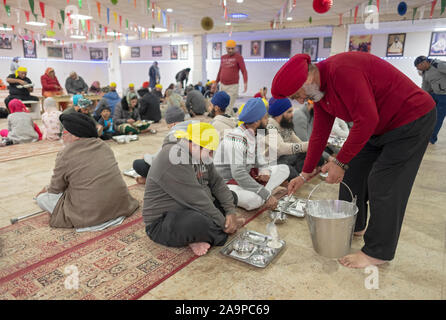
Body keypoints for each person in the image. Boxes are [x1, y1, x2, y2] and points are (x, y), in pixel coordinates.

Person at [271, 52, 436, 268]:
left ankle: (378, 252)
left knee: (384, 182)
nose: (299, 100)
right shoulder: (320, 94)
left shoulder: (342, 71)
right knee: (354, 173)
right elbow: (320, 134)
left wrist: (339, 163)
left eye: (297, 94)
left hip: (411, 119)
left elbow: (366, 120)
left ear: (308, 80)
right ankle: (354, 225)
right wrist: (304, 175)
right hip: (378, 127)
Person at [142, 122, 245, 256]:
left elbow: (217, 182)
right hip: (164, 221)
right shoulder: (175, 157)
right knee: (198, 222)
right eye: (209, 151)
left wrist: (230, 212)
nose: (211, 156)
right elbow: (197, 199)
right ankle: (199, 235)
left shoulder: (201, 154)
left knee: (231, 197)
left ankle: (200, 234)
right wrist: (226, 225)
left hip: (189, 207)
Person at [35, 112, 139, 229]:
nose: (62, 137)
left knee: (41, 199)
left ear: (76, 136)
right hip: (121, 207)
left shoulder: (65, 154)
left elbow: (55, 188)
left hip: (91, 217)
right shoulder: (104, 145)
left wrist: (44, 190)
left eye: (64, 133)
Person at [214, 98, 290, 211]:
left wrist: (263, 171)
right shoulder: (236, 138)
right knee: (254, 201)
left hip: (246, 176)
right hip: (227, 183)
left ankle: (262, 192)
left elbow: (260, 159)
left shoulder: (254, 134)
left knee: (284, 169)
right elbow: (238, 173)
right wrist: (266, 195)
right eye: (265, 118)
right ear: (256, 121)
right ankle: (263, 193)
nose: (268, 121)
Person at [265, 97, 325, 181]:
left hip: (289, 158)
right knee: (290, 171)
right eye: (289, 112)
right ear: (279, 114)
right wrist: (308, 145)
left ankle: (302, 173)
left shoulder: (285, 124)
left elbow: (298, 142)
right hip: (275, 162)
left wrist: (312, 147)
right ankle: (300, 176)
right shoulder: (269, 126)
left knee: (317, 157)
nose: (292, 114)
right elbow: (281, 148)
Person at [132, 106, 186, 185]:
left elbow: (158, 160)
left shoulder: (173, 135)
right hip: (190, 172)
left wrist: (146, 157)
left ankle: (154, 181)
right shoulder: (191, 129)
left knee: (138, 164)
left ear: (172, 124)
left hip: (175, 174)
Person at [415, 55, 446, 144]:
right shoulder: (425, 72)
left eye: (419, 67)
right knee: (428, 114)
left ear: (424, 63)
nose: (418, 70)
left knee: (438, 117)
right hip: (435, 94)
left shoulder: (438, 65)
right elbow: (425, 87)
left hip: (444, 96)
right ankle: (422, 132)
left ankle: (431, 138)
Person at [214, 40, 248, 116]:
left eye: (232, 49)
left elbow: (244, 71)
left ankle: (225, 122)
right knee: (222, 105)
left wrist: (245, 82)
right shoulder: (223, 57)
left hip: (233, 86)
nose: (230, 50)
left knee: (228, 107)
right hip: (223, 85)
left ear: (235, 48)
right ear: (226, 48)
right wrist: (216, 82)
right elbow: (220, 71)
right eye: (228, 48)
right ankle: (232, 119)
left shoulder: (239, 57)